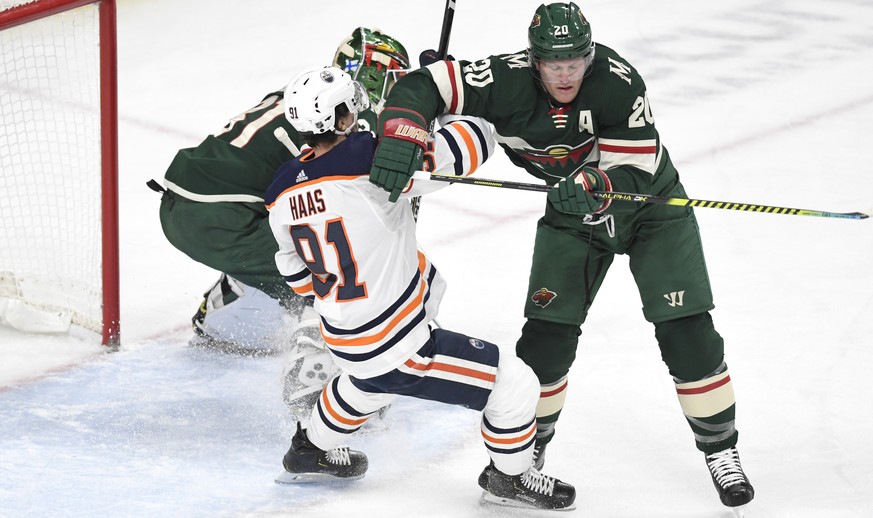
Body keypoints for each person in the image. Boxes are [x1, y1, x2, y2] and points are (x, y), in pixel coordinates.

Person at [366, 2, 755, 510]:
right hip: (573, 216)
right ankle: (522, 462)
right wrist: (406, 129)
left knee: (687, 331)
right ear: (534, 60)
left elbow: (634, 171)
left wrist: (598, 181)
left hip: (649, 210)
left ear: (589, 56)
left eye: (575, 62)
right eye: (555, 64)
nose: (566, 74)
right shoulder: (501, 80)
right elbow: (421, 85)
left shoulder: (618, 82)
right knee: (545, 340)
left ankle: (721, 451)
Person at [265, 66, 574, 511]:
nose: (357, 108)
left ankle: (309, 450)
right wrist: (445, 104)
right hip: (397, 342)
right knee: (515, 382)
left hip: (343, 333)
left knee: (366, 381)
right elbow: (467, 150)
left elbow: (296, 274)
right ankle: (510, 478)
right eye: (350, 104)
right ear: (340, 117)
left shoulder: (279, 191)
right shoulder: (370, 160)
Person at [153, 28, 410, 417]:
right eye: (393, 78)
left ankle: (226, 317)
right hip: (224, 215)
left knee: (287, 239)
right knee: (336, 266)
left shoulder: (300, 98)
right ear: (372, 75)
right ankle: (313, 381)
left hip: (184, 207)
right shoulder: (347, 123)